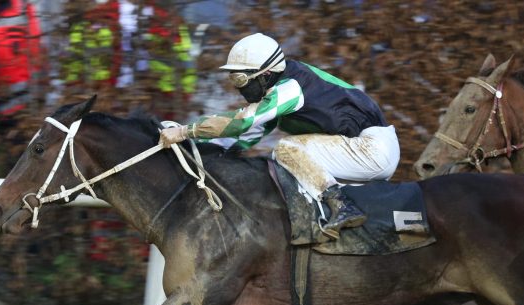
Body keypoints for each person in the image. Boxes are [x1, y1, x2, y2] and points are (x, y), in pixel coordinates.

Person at [159, 32, 400, 233]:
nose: (237, 87)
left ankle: (340, 205)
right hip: (361, 149)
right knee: (288, 165)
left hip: (372, 148)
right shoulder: (280, 96)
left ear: (265, 75)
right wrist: (197, 150)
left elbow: (243, 121)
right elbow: (243, 138)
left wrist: (185, 131)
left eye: (240, 78)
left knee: (286, 149)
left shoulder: (290, 88)